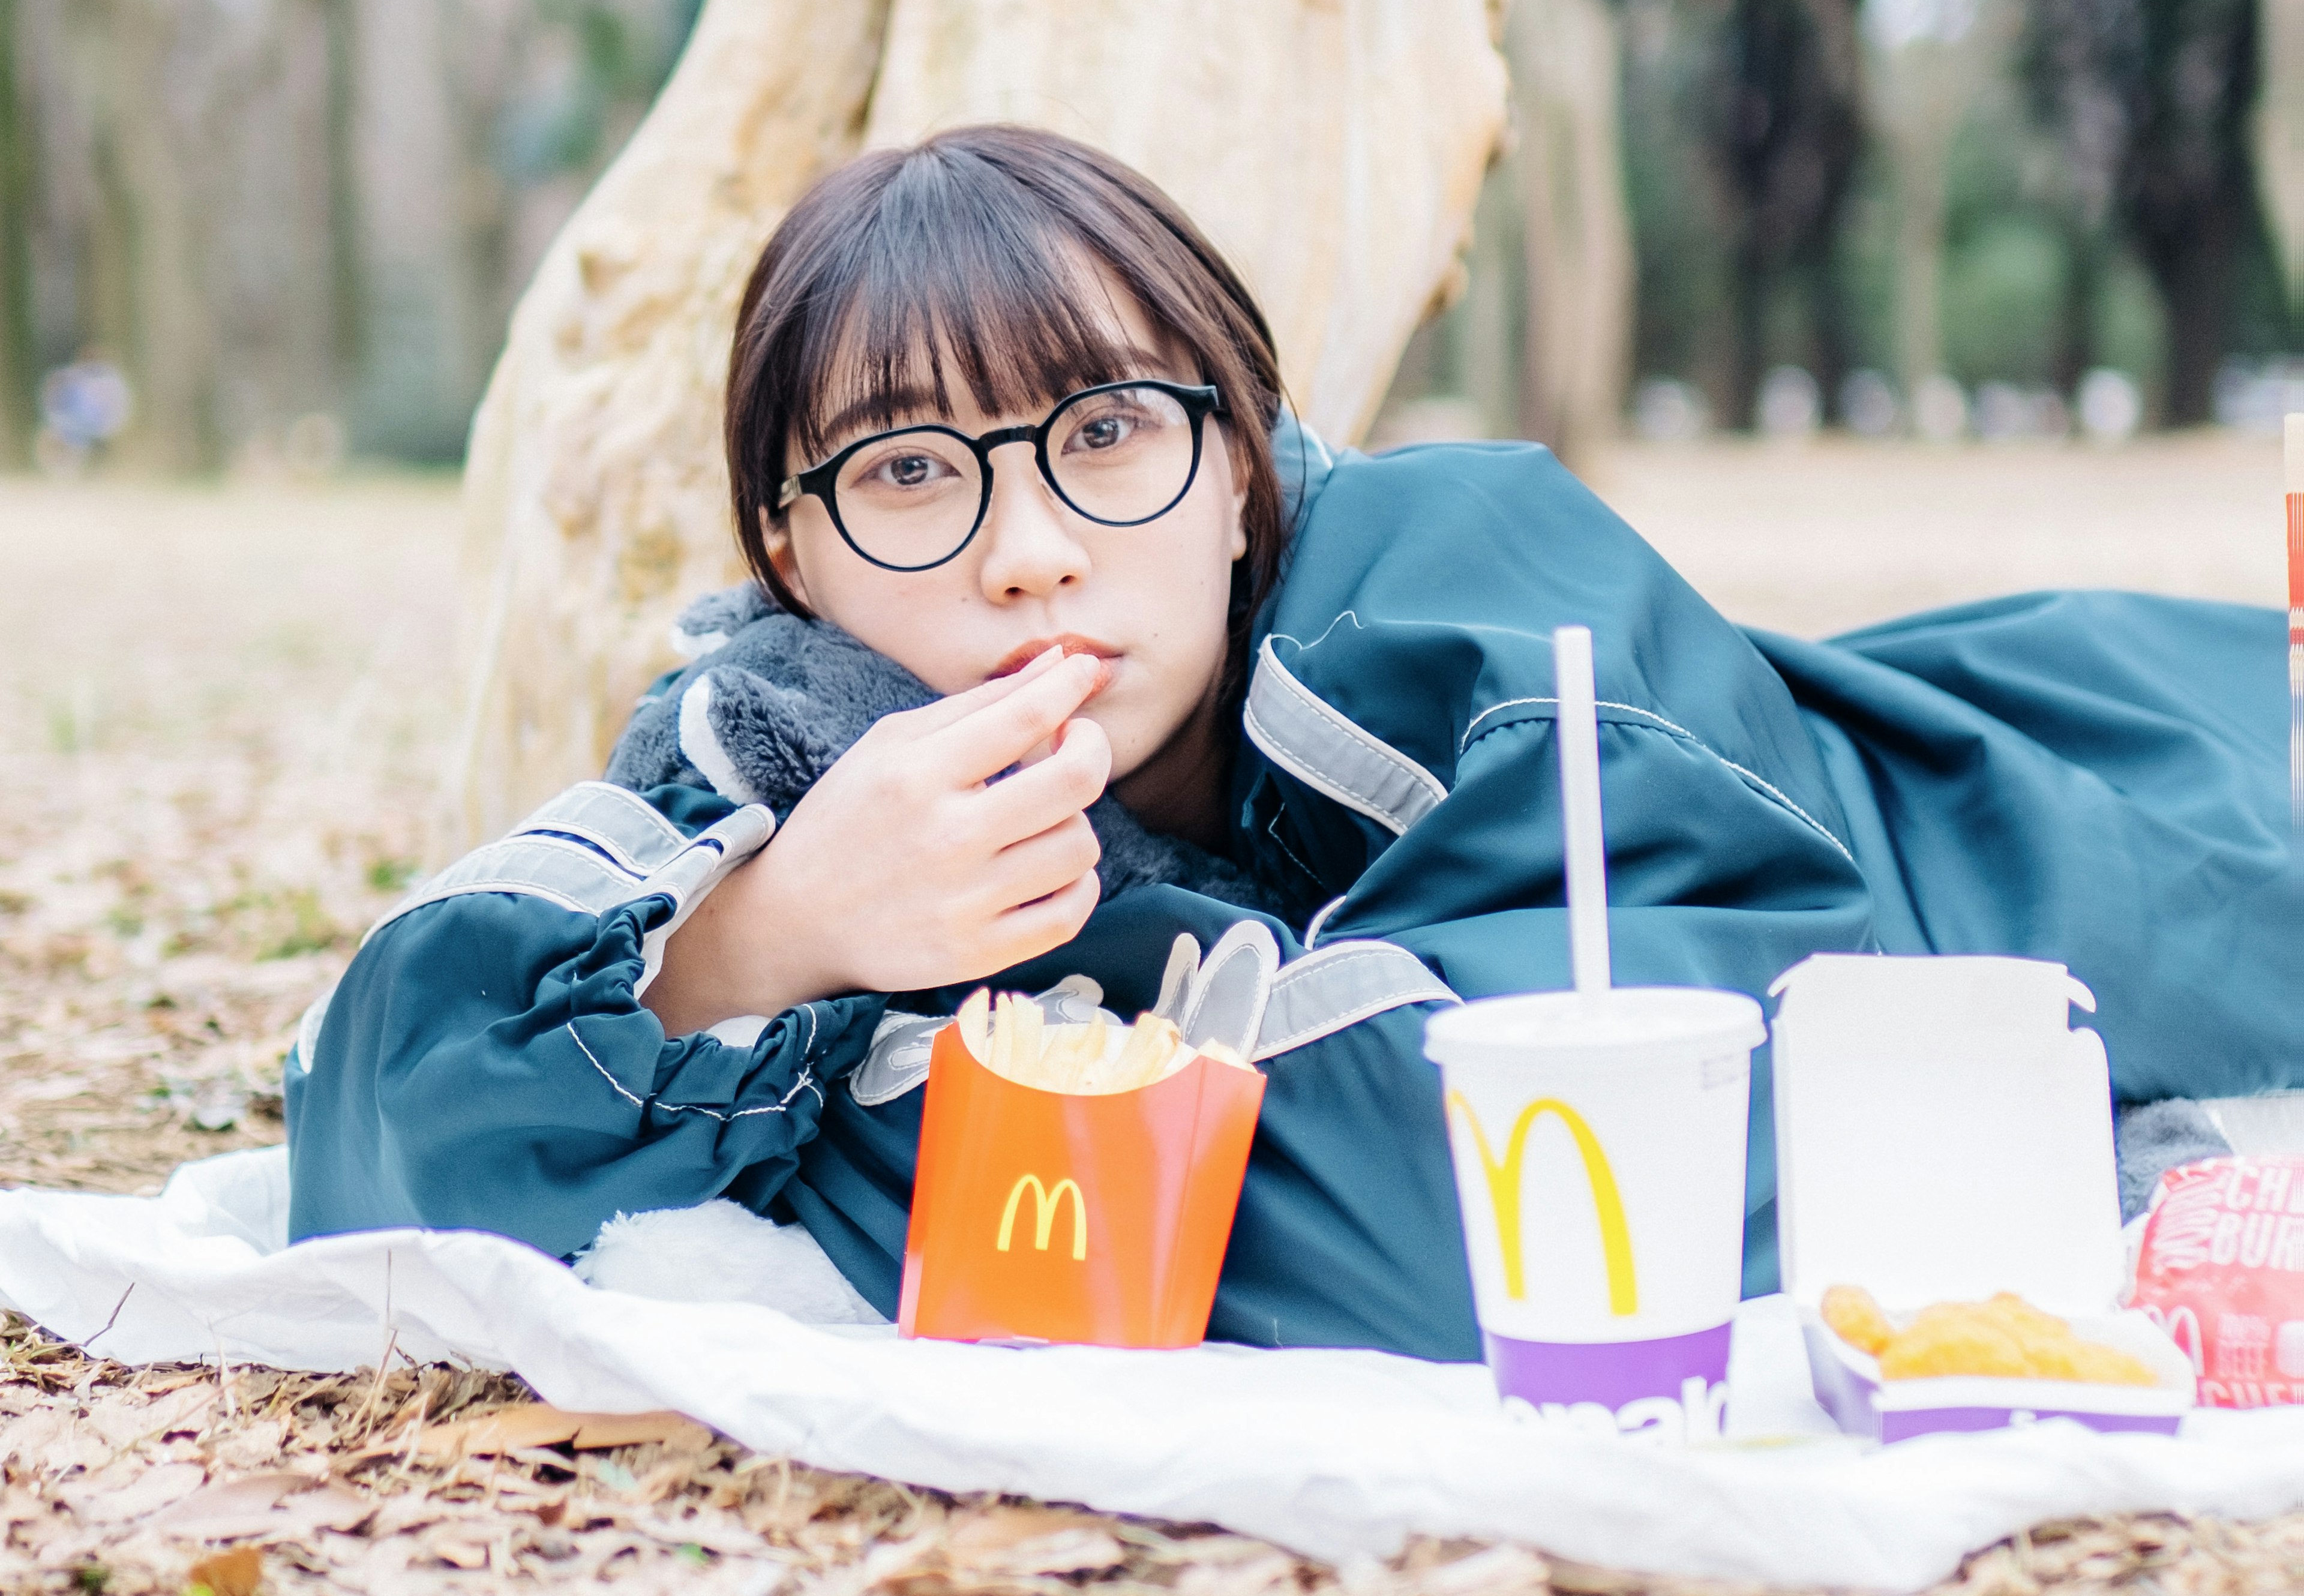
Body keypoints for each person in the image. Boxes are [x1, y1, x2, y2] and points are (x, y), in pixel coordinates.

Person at [285, 126, 2303, 1354]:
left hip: (2182, 794)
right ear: (792, 556)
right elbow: (374, 1126)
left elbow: (1510, 1219)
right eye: (913, 473)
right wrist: (766, 945)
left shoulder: (1487, 597)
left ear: (1243, 469)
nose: (1029, 554)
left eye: (1106, 437)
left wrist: (824, 1105)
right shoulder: (791, 748)